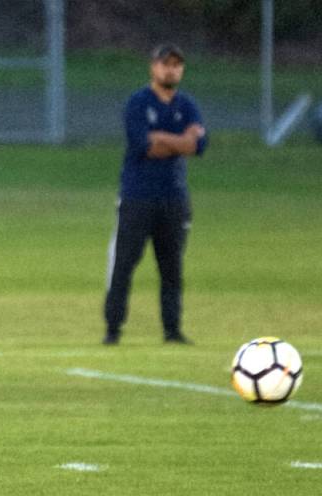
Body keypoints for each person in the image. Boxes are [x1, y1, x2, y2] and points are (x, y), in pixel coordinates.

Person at [102, 44, 208, 345]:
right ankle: (113, 329)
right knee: (123, 264)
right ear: (153, 67)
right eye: (165, 64)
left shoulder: (187, 105)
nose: (171, 69)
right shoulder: (138, 103)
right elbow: (144, 145)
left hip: (174, 199)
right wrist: (179, 141)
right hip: (137, 197)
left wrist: (162, 138)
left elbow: (198, 146)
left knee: (172, 267)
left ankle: (172, 330)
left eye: (177, 64)